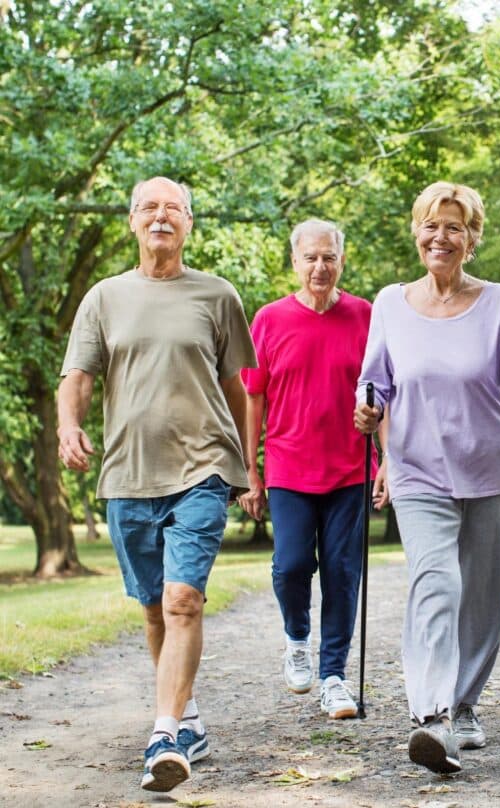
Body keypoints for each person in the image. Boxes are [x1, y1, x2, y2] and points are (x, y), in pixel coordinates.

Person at [57, 177, 257, 792]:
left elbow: (237, 389)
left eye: (174, 208)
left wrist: (246, 464)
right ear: (132, 220)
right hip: (128, 472)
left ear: (190, 223)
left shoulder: (217, 295)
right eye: (150, 207)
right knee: (152, 608)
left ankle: (165, 731)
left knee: (182, 601)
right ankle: (188, 714)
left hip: (203, 467)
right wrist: (69, 426)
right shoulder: (104, 297)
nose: (161, 216)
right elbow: (79, 375)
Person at [353, 181, 500, 774]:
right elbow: (374, 384)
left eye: (454, 227)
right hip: (417, 467)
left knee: (483, 597)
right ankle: (432, 715)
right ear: (416, 232)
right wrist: (366, 410)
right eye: (432, 225)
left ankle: (464, 705)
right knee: (437, 583)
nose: (441, 237)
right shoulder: (389, 303)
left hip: (490, 465)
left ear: (472, 239)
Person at [238, 219, 379, 720]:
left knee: (343, 571)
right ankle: (298, 638)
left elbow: (382, 393)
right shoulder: (269, 320)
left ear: (342, 260)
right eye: (311, 257)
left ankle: (334, 676)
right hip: (288, 465)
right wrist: (248, 470)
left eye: (329, 257)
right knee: (292, 564)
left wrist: (387, 460)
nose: (320, 267)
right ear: (295, 262)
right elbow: (254, 398)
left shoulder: (365, 315)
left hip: (350, 466)